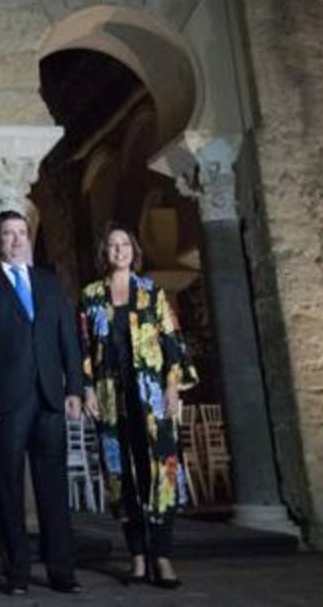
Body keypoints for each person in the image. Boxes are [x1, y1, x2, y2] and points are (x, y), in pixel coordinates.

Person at [0, 210, 84, 596]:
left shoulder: (48, 282)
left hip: (49, 397)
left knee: (53, 488)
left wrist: (75, 389)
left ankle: (62, 570)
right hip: (5, 400)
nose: (15, 240)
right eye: (7, 234)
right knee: (10, 487)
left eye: (21, 233)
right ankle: (17, 572)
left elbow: (67, 339)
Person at [77, 223, 198, 589]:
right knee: (120, 475)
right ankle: (138, 556)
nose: (119, 250)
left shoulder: (152, 292)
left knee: (161, 472)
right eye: (112, 245)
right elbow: (83, 348)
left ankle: (162, 555)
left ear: (134, 250)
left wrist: (174, 386)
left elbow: (172, 340)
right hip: (112, 398)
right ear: (105, 253)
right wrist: (86, 389)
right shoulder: (91, 296)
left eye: (125, 244)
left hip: (153, 397)